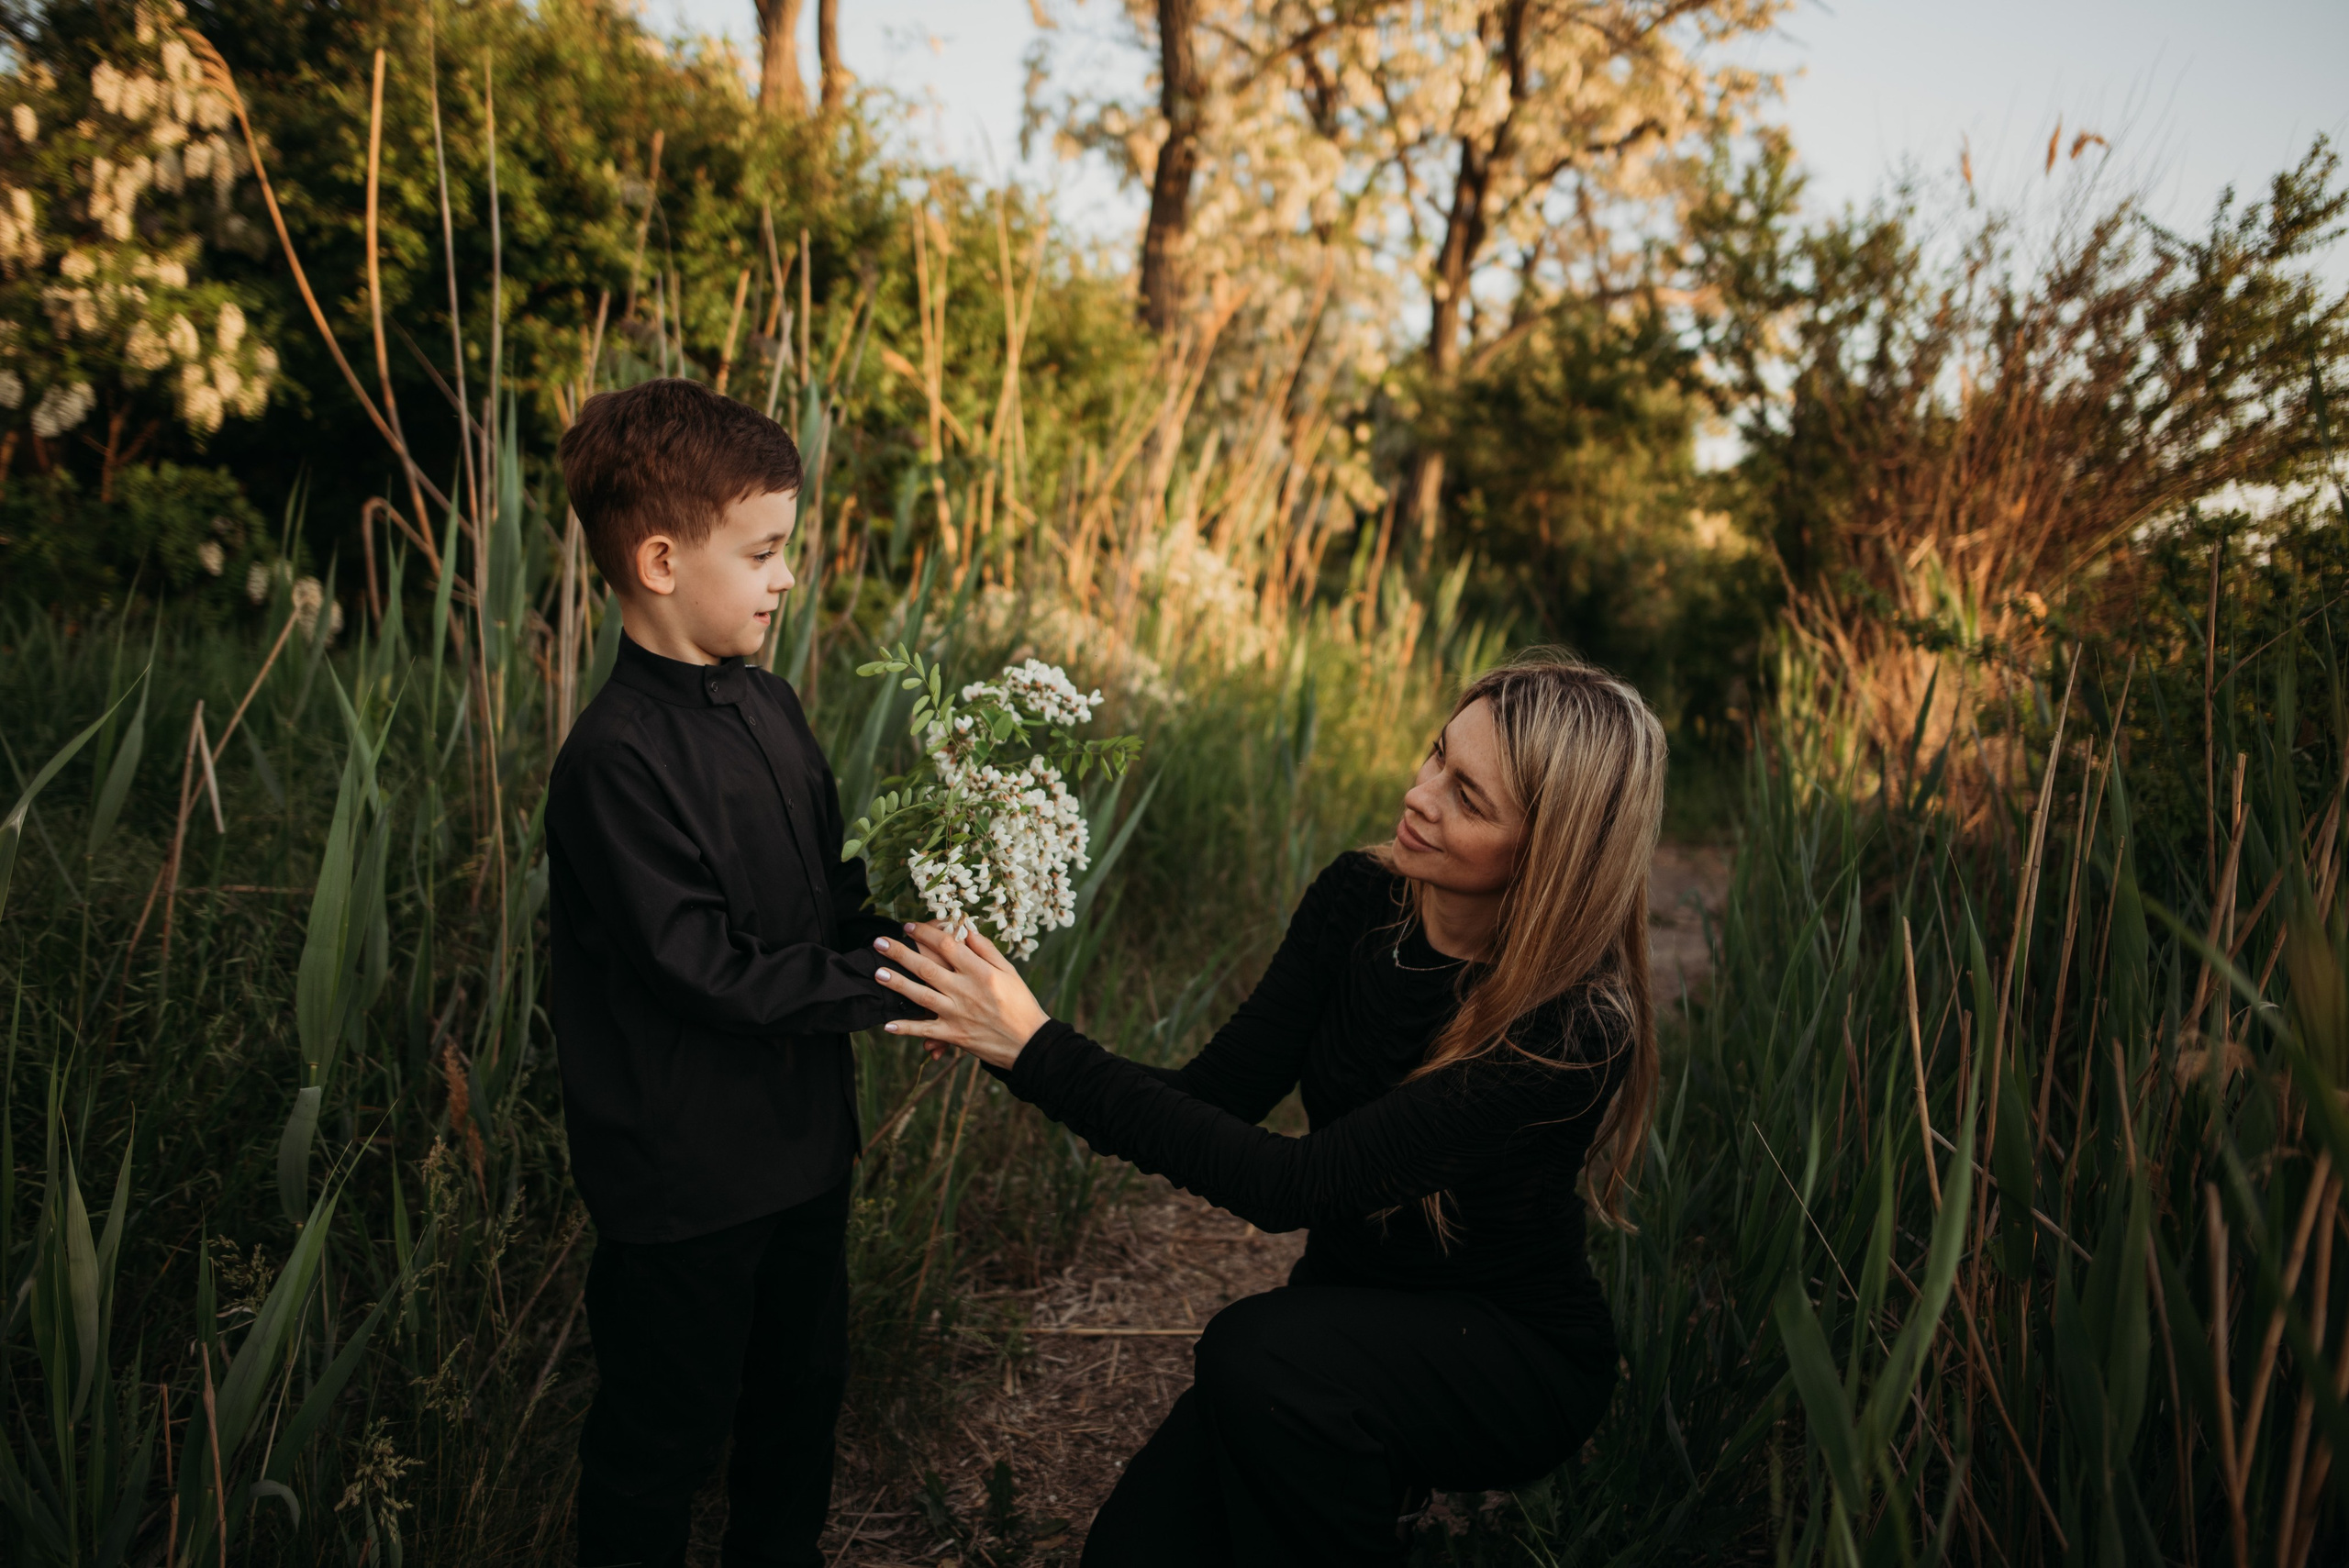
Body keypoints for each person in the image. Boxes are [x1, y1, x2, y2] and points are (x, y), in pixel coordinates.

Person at [868, 653, 1664, 1567]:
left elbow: (1286, 1183)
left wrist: (1038, 1048)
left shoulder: (1567, 1030)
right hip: (1335, 1328)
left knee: (1255, 1353)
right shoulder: (1359, 899)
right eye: (1436, 755)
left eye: (1468, 797)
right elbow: (1212, 1097)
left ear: (1549, 853)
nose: (1417, 793)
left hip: (1507, 1355)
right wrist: (998, 1033)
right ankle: (1352, 1473)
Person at [546, 378, 912, 1568]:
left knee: (798, 1403)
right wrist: (883, 992)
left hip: (805, 1149)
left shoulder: (773, 705)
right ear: (659, 558)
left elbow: (828, 890)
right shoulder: (613, 759)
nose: (784, 577)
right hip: (685, 1182)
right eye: (762, 551)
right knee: (662, 1437)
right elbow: (701, 967)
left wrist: (920, 940)